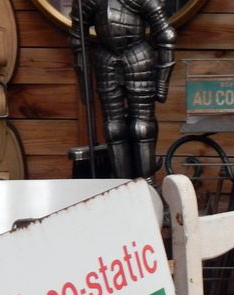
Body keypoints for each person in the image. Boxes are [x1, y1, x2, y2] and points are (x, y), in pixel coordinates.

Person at [70, 0, 175, 179]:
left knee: (142, 127)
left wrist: (162, 82)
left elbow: (166, 35)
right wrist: (84, 85)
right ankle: (121, 185)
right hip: (105, 59)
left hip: (138, 56)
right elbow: (78, 38)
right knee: (113, 129)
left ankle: (148, 182)